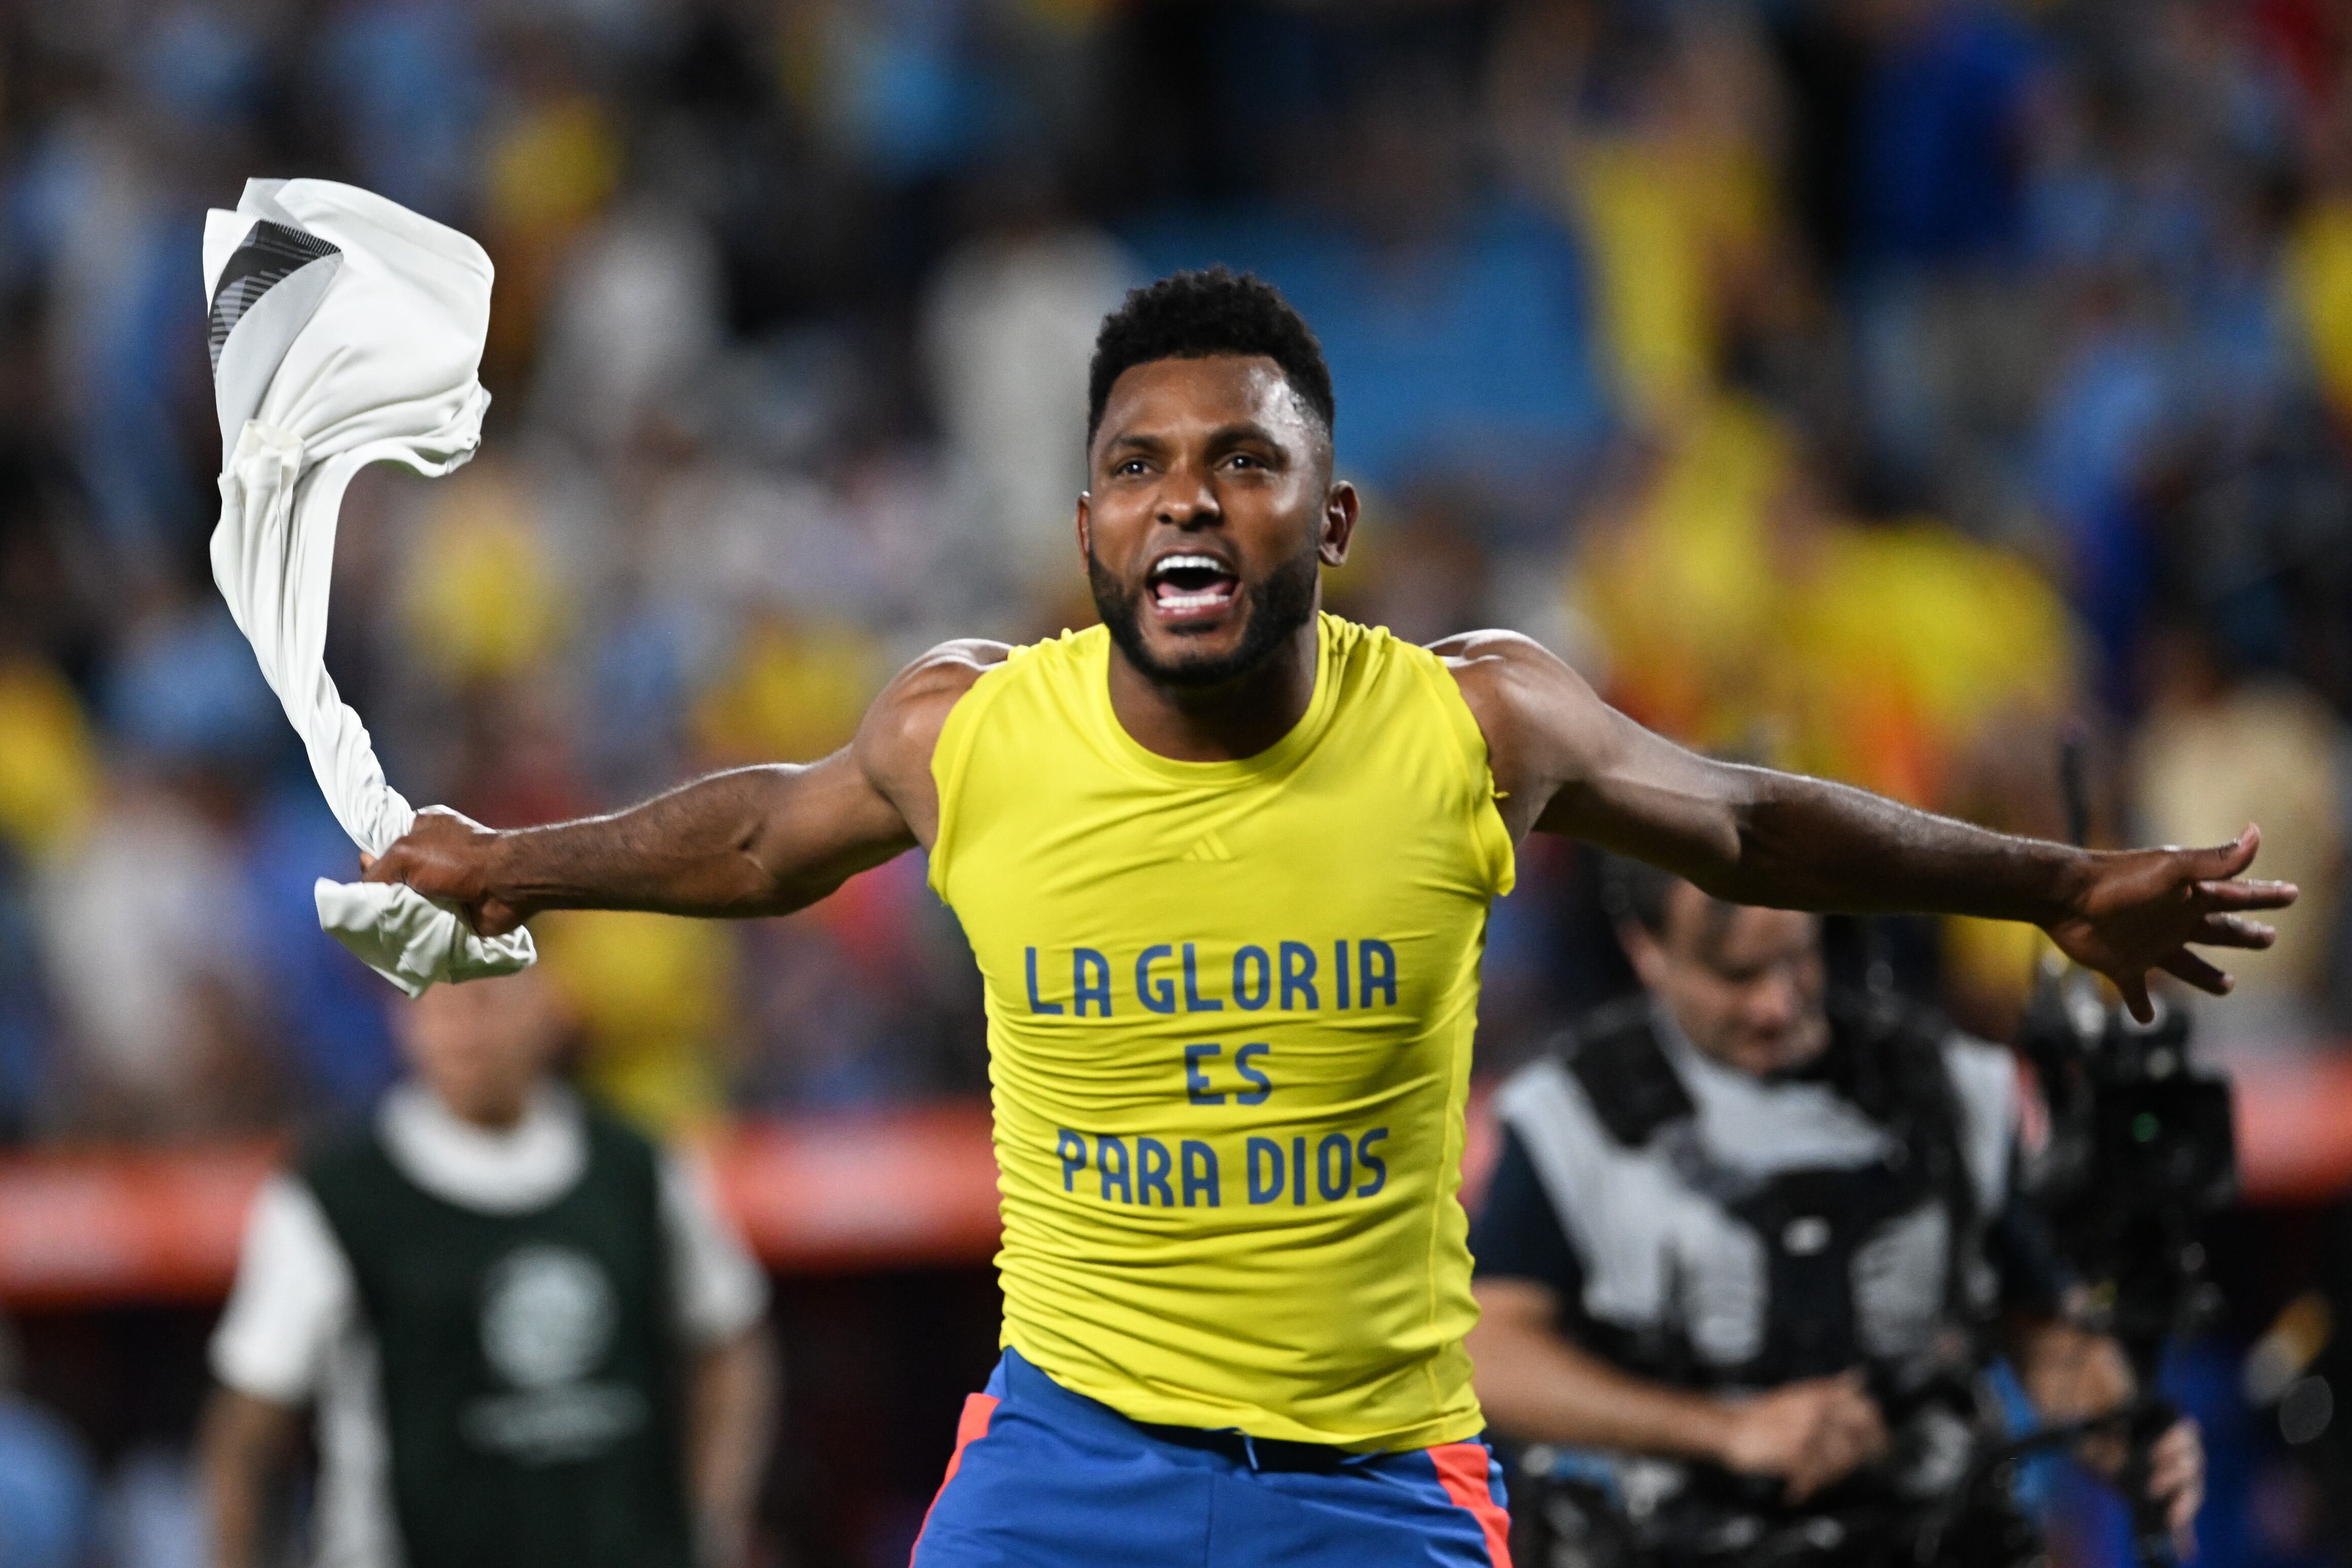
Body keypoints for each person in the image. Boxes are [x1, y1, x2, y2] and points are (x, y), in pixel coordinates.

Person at [363, 268, 2293, 1568]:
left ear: (1329, 520)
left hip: (1377, 1488)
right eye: (1136, 468)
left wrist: (2048, 887)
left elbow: (1744, 824)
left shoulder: (1471, 721)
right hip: (1065, 1464)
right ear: (1089, 533)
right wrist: (513, 863)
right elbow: (761, 841)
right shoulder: (970, 734)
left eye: (1238, 460)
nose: (1183, 497)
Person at [1465, 857, 2203, 1565]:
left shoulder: (1946, 1092)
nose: (1776, 1004)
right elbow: (1489, 1352)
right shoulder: (1570, 1116)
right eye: (1737, 974)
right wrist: (1724, 1431)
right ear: (1645, 947)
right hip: (1675, 1538)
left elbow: (2042, 1330)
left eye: (1796, 961)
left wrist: (2119, 1432)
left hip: (1930, 1533)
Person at [198, 969, 775, 1568]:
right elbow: (245, 1434)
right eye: (435, 1001)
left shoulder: (637, 1171)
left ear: (550, 1006)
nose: (462, 1027)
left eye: (485, 998)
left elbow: (730, 1342)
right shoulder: (336, 1196)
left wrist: (714, 1521)